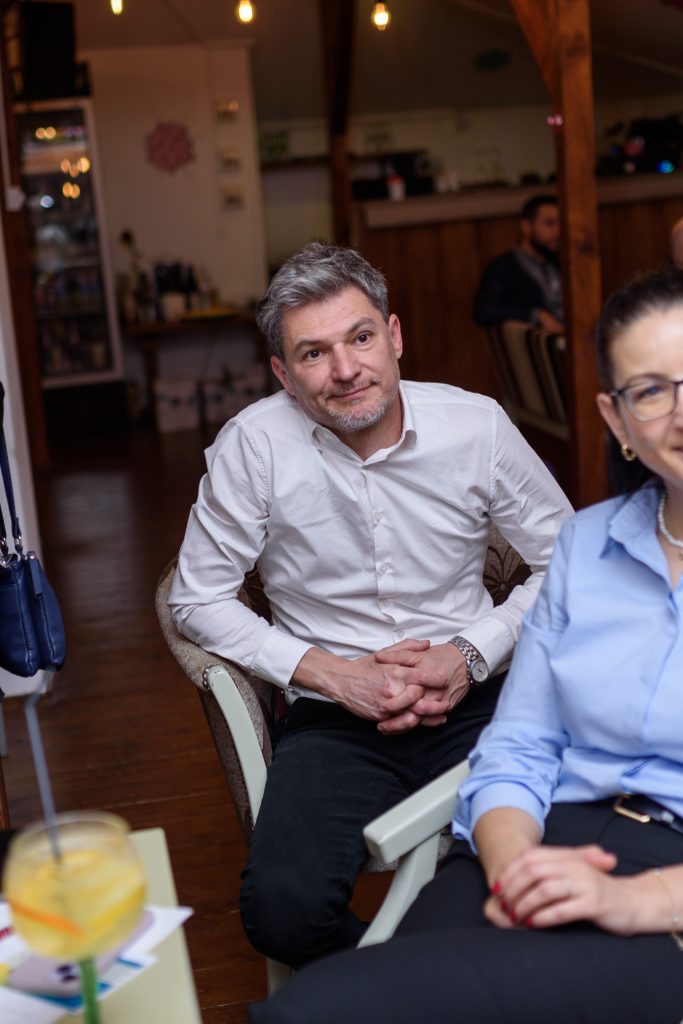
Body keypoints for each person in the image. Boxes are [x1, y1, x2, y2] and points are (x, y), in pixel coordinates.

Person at [248, 262, 683, 1024]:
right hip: (536, 834)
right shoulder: (585, 546)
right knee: (331, 1002)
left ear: (391, 338)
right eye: (650, 391)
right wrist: (514, 866)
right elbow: (519, 745)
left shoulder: (471, 427)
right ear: (616, 420)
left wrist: (631, 898)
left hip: (663, 883)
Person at [169, 242, 572, 969]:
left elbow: (569, 563)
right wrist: (333, 674)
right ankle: (425, 986)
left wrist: (470, 652)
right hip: (334, 719)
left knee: (564, 858)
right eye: (313, 353)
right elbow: (195, 597)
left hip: (480, 698)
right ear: (282, 374)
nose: (346, 369)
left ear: (393, 336)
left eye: (359, 338)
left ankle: (434, 971)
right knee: (282, 914)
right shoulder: (253, 446)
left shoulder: (476, 426)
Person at [474, 194, 564, 333]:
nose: (558, 232)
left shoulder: (562, 263)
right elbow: (483, 312)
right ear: (527, 227)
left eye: (561, 224)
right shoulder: (504, 267)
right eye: (549, 223)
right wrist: (538, 315)